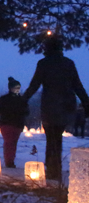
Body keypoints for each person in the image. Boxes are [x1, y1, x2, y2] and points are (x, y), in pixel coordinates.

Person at [22, 38, 89, 181]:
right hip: (65, 106)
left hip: (50, 106)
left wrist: (23, 100)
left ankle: (53, 168)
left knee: (51, 138)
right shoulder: (68, 64)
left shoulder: (44, 63)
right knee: (56, 137)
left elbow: (34, 85)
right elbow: (78, 86)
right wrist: (86, 103)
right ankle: (54, 168)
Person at [0, 77, 29, 168]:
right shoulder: (5, 99)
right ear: (10, 88)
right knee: (9, 142)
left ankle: (10, 159)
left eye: (19, 88)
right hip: (7, 124)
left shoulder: (21, 100)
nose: (17, 89)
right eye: (16, 87)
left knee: (13, 142)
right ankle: (9, 161)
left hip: (17, 124)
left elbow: (26, 112)